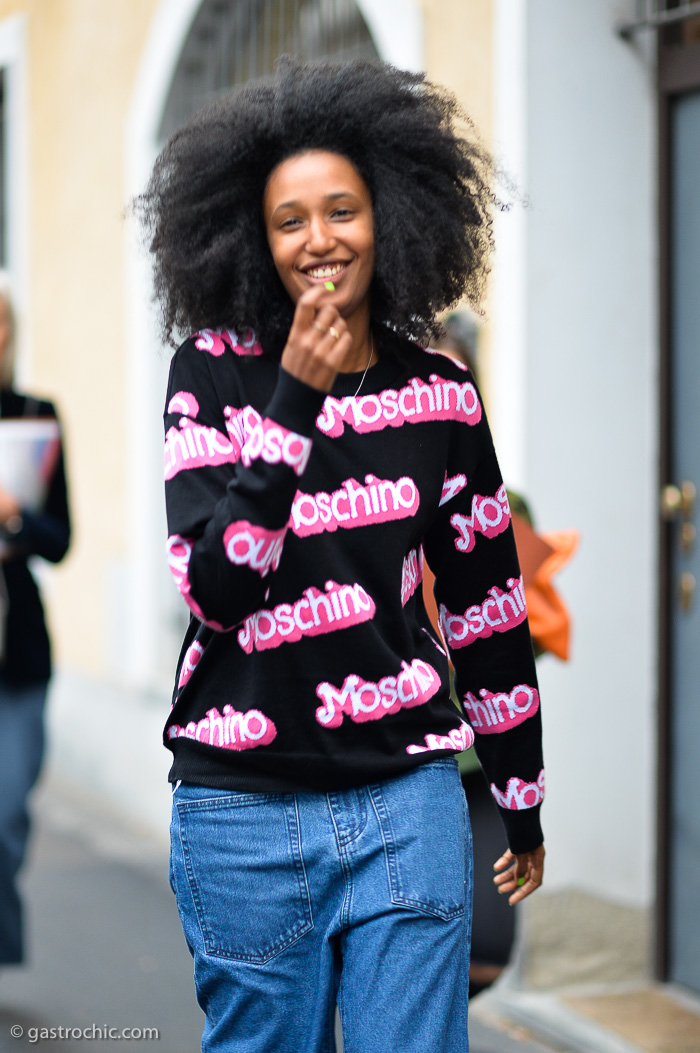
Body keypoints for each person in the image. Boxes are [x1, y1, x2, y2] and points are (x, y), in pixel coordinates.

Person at [138, 59, 545, 1053]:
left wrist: (519, 799)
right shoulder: (212, 374)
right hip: (242, 809)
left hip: (406, 797)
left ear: (390, 216)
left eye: (343, 210)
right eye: (290, 220)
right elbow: (217, 589)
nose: (319, 240)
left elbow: (488, 609)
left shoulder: (441, 396)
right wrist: (293, 398)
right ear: (253, 235)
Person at [0, 273, 71, 967]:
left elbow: (61, 536)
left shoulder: (35, 412)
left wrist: (15, 516)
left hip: (17, 647)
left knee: (7, 810)